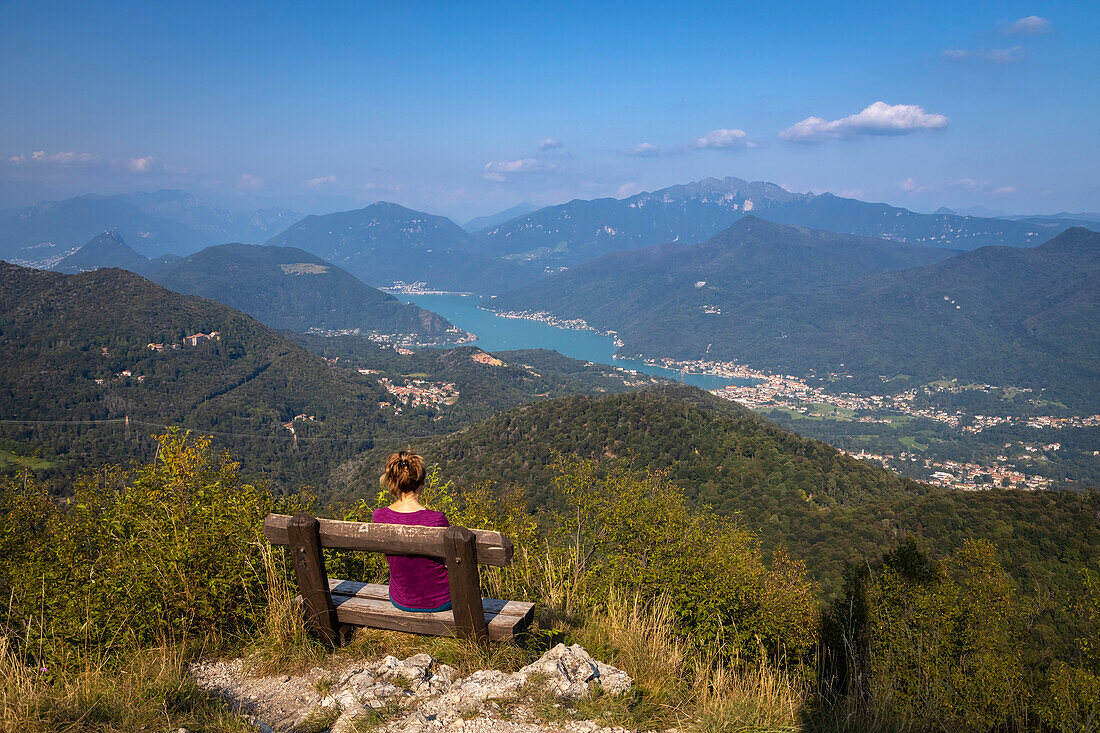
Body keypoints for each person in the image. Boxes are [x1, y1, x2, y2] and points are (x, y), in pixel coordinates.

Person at [372, 450, 452, 612]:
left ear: (391, 482)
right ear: (421, 483)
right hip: (440, 600)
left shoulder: (379, 516)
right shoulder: (437, 520)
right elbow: (449, 562)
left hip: (401, 598)